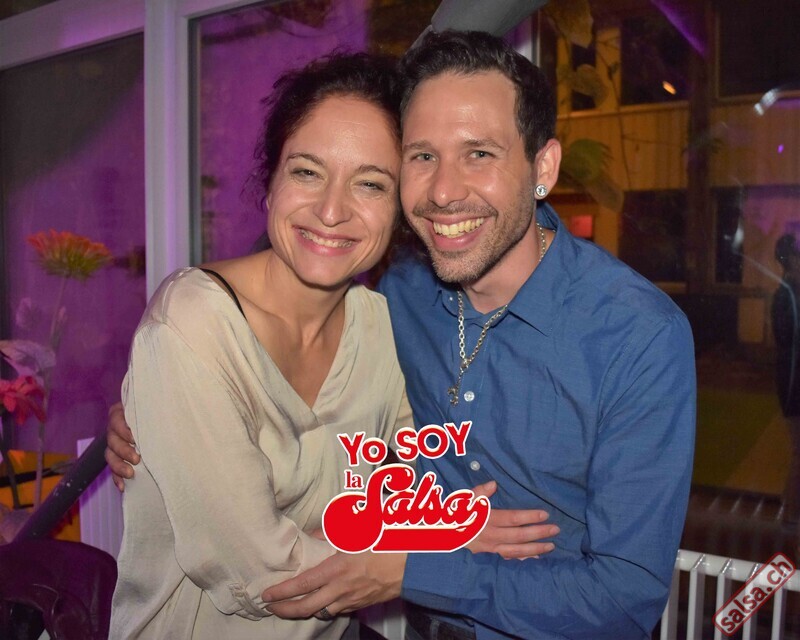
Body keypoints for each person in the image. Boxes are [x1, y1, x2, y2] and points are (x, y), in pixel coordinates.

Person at [108, 31, 696, 639]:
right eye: (422, 157)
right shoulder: (402, 298)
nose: (444, 191)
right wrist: (161, 406)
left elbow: (624, 600)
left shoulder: (636, 335)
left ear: (542, 167)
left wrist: (419, 565)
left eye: (479, 153)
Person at [772, 233, 800, 531]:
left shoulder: (790, 293)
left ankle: (790, 506)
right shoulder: (786, 295)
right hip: (794, 386)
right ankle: (791, 516)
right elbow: (788, 339)